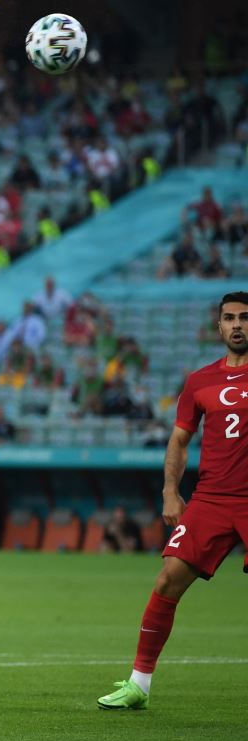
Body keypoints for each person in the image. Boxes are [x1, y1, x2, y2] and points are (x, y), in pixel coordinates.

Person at [98, 292, 248, 710]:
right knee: (167, 580)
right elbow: (180, 440)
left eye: (245, 318)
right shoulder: (200, 381)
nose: (238, 325)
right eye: (230, 318)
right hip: (213, 498)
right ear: (218, 327)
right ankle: (138, 685)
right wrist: (169, 490)